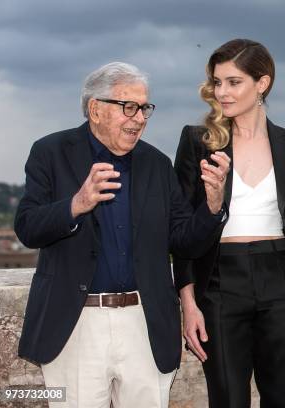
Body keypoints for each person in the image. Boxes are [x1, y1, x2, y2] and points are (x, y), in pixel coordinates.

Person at [14, 62, 230, 408]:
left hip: (144, 322)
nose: (139, 118)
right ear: (95, 109)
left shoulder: (157, 164)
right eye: (128, 107)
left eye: (145, 108)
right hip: (76, 323)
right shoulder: (51, 152)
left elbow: (185, 240)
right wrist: (77, 204)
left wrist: (213, 205)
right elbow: (27, 227)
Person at [173, 39, 285, 408]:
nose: (222, 92)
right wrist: (188, 301)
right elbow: (181, 231)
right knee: (227, 399)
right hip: (220, 281)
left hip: (284, 277)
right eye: (217, 82)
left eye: (233, 82)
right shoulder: (197, 141)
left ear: (262, 83)